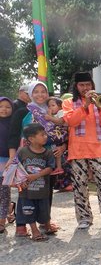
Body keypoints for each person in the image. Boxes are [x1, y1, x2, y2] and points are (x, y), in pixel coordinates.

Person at [62, 72, 101, 229]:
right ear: (76, 86)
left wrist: (100, 108)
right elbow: (71, 121)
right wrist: (85, 105)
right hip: (78, 150)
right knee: (80, 185)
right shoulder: (68, 102)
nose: (85, 88)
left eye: (88, 85)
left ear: (92, 86)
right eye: (82, 85)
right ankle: (84, 218)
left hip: (99, 148)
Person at [16, 123, 55, 241]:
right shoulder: (22, 152)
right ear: (31, 139)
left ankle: (47, 225)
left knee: (44, 210)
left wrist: (37, 175)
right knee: (28, 210)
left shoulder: (47, 152)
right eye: (42, 135)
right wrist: (19, 182)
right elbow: (16, 167)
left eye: (45, 134)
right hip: (26, 190)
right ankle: (34, 230)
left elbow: (50, 168)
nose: (45, 136)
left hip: (42, 190)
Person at [0, 96, 14, 233]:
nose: (4, 109)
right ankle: (9, 210)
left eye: (8, 107)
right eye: (1, 106)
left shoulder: (13, 124)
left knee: (4, 192)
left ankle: (1, 221)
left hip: (7, 162)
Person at [44, 97, 67, 175]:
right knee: (56, 150)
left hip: (61, 134)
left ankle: (59, 167)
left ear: (60, 106)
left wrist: (50, 117)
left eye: (53, 105)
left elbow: (60, 121)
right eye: (49, 106)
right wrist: (50, 114)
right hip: (57, 135)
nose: (50, 108)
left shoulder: (61, 112)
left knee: (57, 150)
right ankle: (58, 167)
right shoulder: (54, 114)